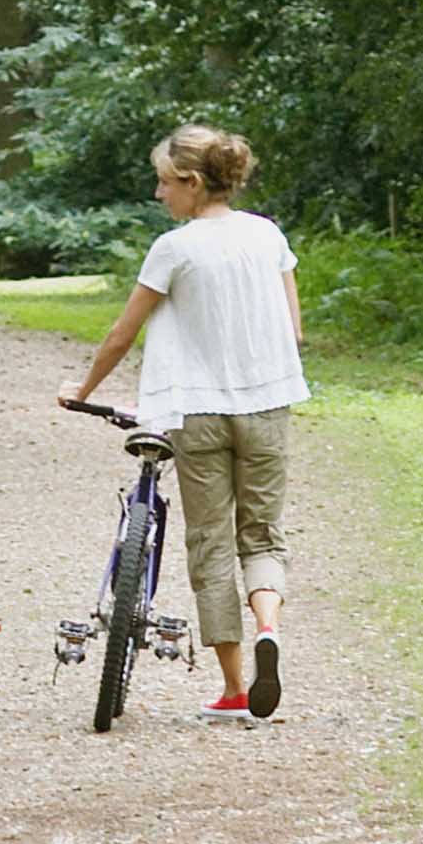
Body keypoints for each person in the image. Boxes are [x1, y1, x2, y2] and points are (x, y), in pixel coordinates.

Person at [60, 124, 305, 725]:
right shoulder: (267, 236)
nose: (158, 193)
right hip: (269, 406)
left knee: (211, 543)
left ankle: (233, 688)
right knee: (263, 537)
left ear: (193, 183)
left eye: (165, 182)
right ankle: (268, 626)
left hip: (199, 414)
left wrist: (81, 389)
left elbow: (123, 333)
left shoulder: (175, 248)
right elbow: (295, 332)